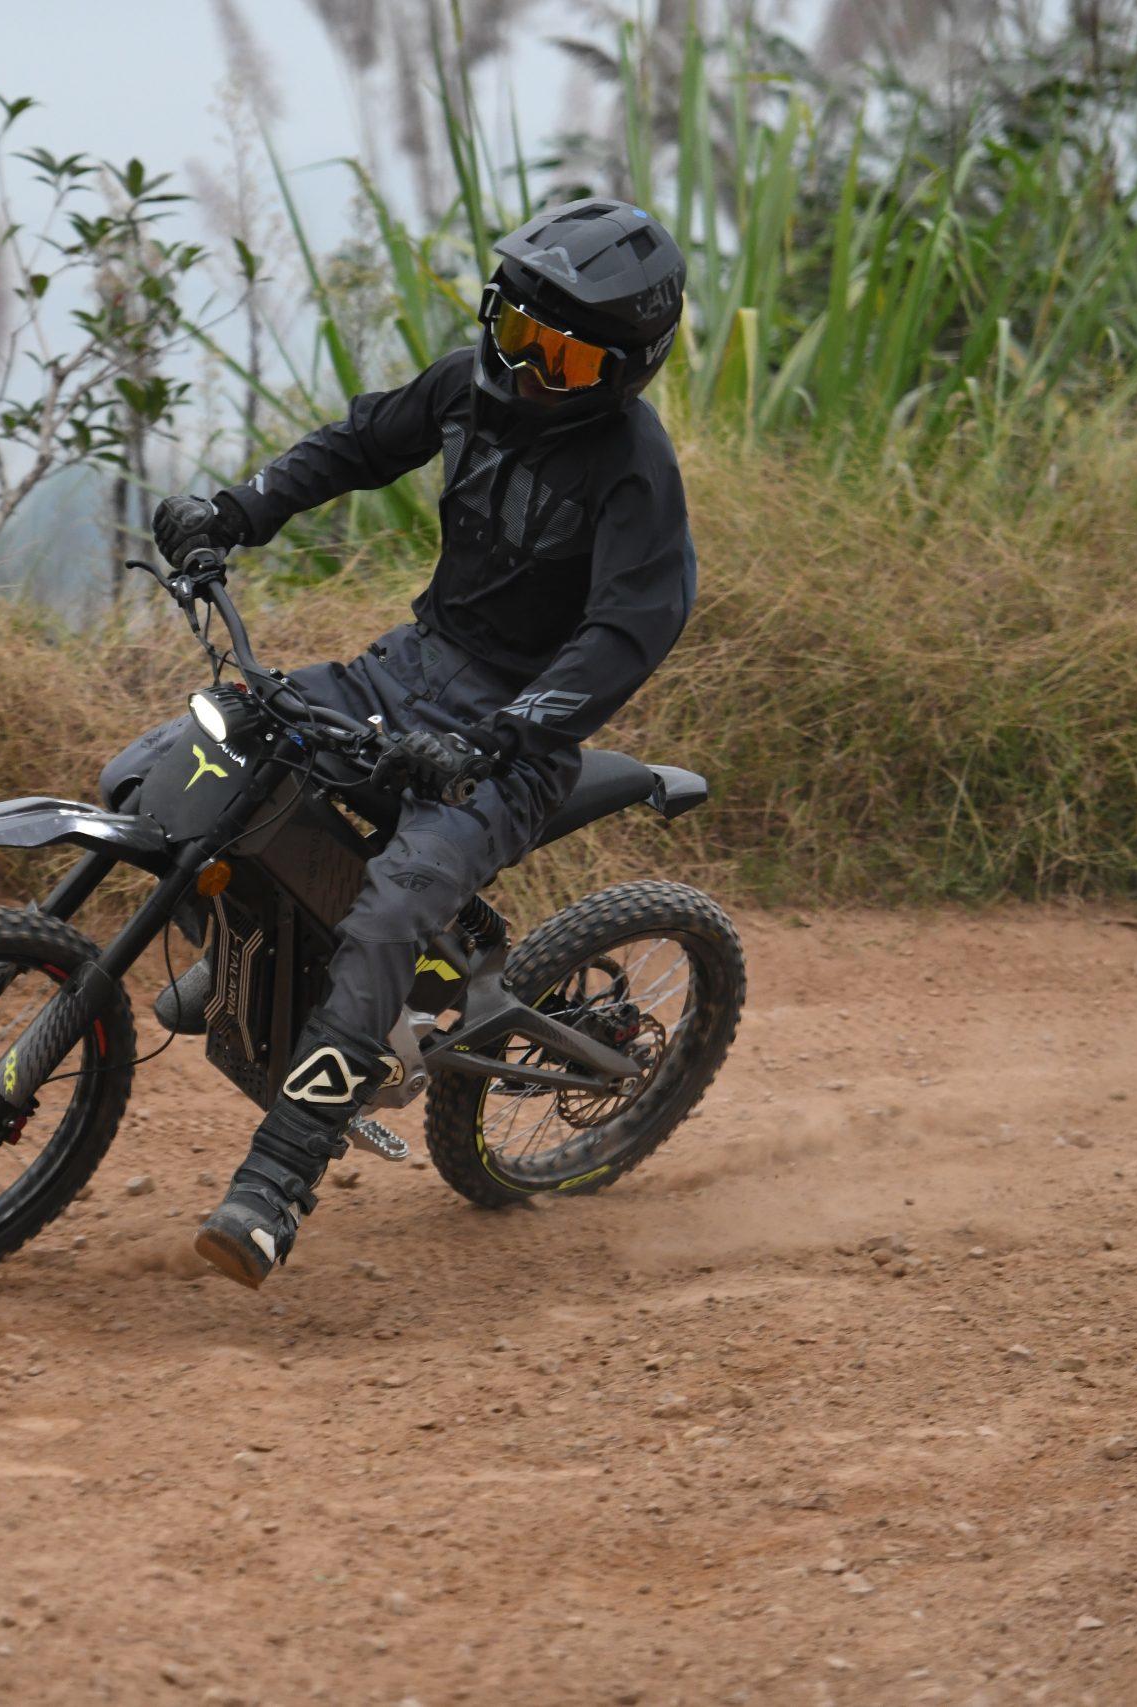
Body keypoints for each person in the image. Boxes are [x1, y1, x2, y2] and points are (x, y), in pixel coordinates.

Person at [103, 198, 698, 1289]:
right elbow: (354, 447)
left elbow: (629, 631)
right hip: (402, 670)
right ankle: (247, 968)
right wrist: (232, 514)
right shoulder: (466, 387)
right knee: (155, 775)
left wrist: (506, 733)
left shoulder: (632, 467)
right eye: (513, 332)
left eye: (562, 357)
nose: (525, 369)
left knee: (386, 915)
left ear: (623, 371)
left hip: (513, 741)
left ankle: (279, 1179)